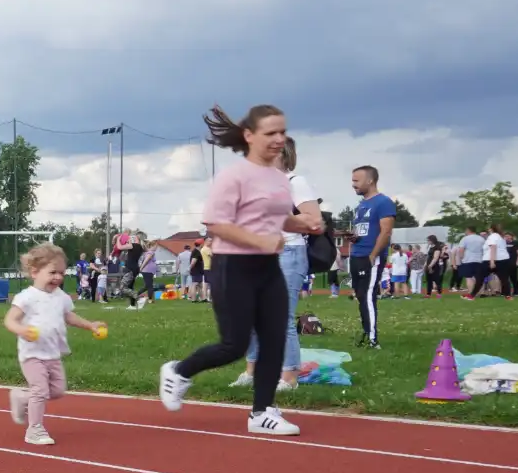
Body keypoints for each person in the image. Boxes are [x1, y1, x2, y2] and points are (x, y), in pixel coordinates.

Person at [159, 104, 319, 437]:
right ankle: (179, 371)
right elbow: (216, 224)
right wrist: (260, 241)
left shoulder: (278, 178)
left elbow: (273, 215)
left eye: (282, 132)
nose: (279, 139)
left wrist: (301, 223)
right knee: (234, 344)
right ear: (249, 136)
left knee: (275, 339)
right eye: (270, 133)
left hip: (268, 268)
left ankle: (262, 412)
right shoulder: (233, 176)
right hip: (233, 266)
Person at [232, 135, 321, 391]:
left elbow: (313, 221)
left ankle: (289, 378)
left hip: (288, 252)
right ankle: (251, 371)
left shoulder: (296, 182)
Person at [4, 243, 104, 446]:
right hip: (32, 354)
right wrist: (22, 330)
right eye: (52, 272)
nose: (58, 277)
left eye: (61, 273)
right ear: (34, 272)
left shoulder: (61, 297)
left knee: (57, 390)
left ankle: (22, 398)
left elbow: (69, 316)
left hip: (53, 354)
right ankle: (34, 429)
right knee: (40, 389)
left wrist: (90, 325)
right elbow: (9, 320)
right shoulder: (27, 297)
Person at [348, 165, 395, 346]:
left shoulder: (383, 202)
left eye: (356, 181)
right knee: (360, 295)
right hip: (357, 254)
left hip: (370, 256)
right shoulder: (361, 205)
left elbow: (386, 232)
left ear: (370, 180)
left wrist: (373, 255)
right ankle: (367, 332)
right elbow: (364, 230)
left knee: (368, 295)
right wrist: (352, 236)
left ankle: (373, 339)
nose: (353, 185)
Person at [487, 227, 517, 299]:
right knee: (502, 277)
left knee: (491, 276)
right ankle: (504, 293)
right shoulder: (501, 238)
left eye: (489, 230)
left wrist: (492, 261)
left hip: (499, 259)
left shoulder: (494, 237)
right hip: (503, 259)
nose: (488, 231)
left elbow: (493, 249)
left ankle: (497, 291)